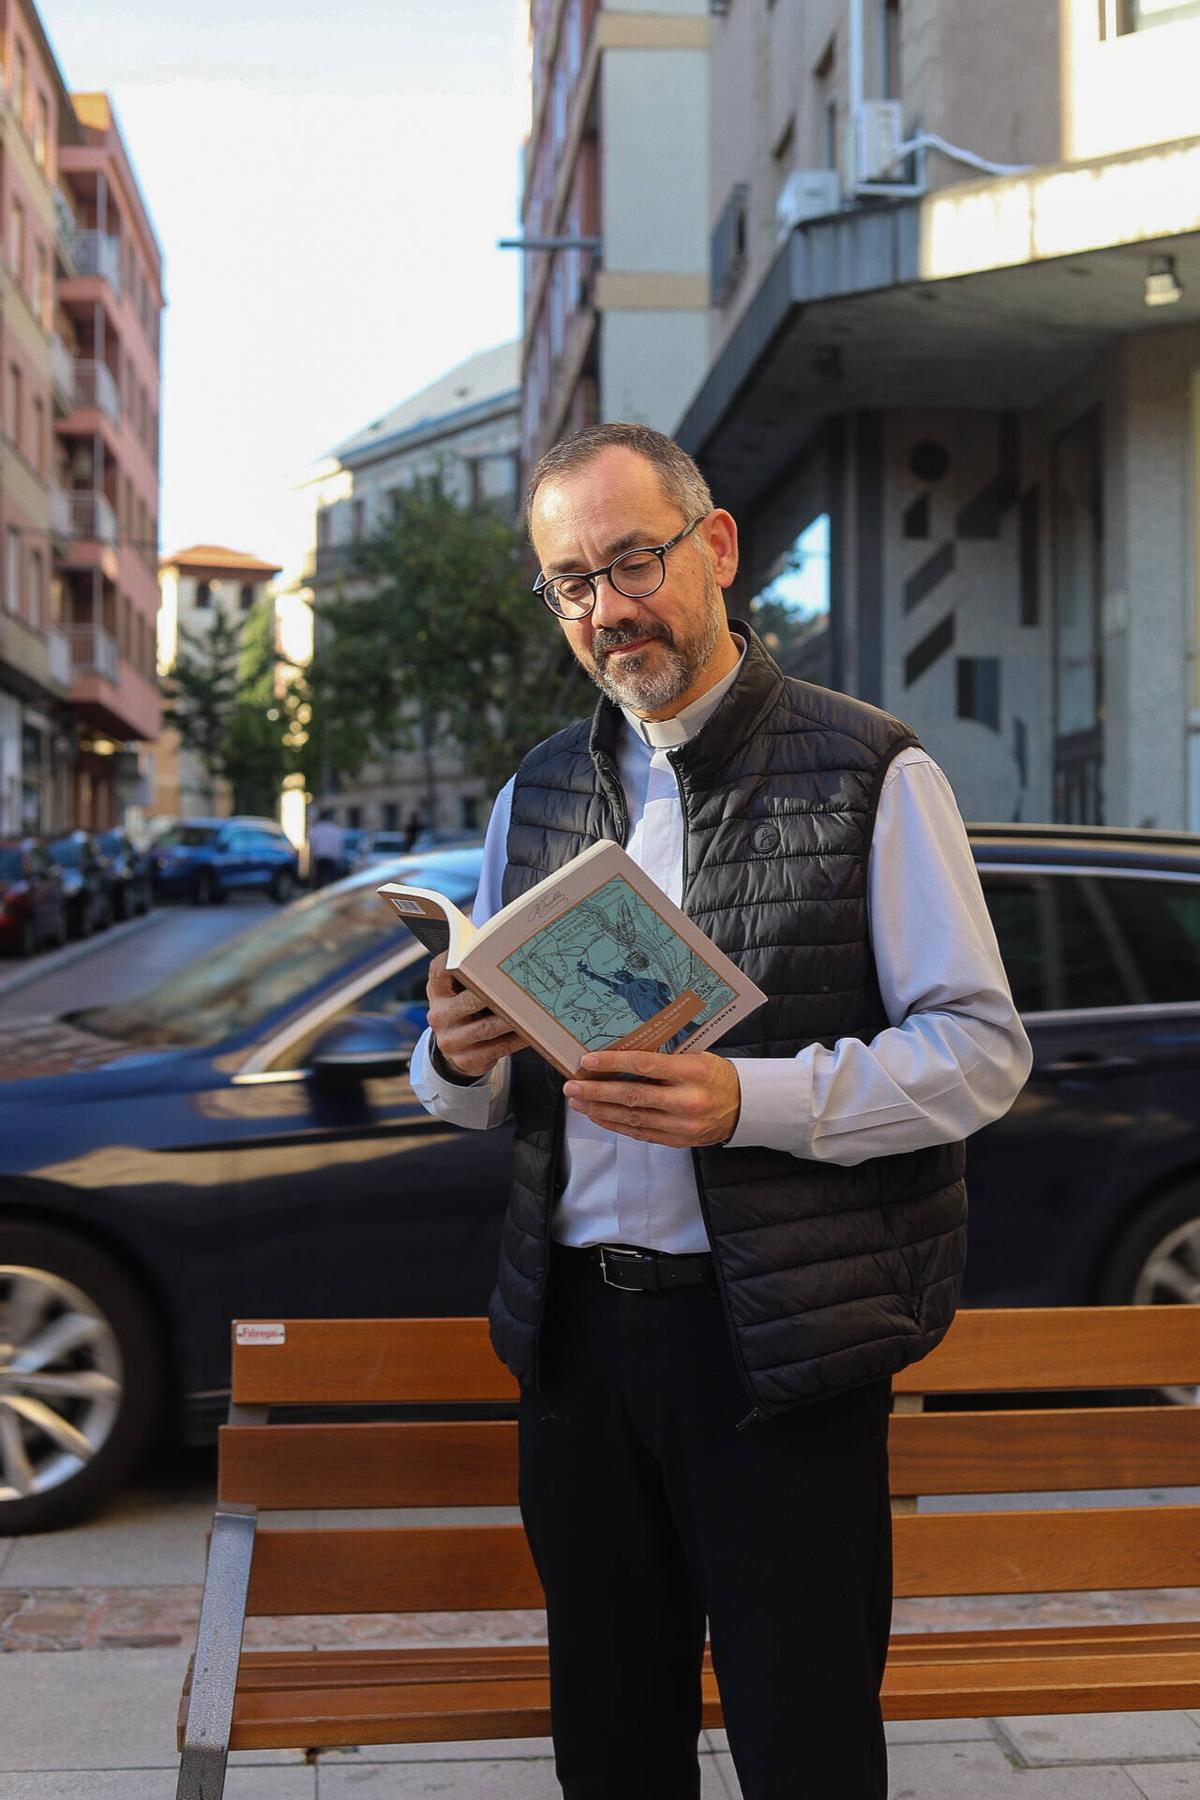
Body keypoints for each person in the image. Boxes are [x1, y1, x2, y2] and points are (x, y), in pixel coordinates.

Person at [411, 422, 1032, 1800]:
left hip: (776, 1357)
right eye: (572, 581)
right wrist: (455, 1055)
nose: (608, 607)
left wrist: (744, 1099)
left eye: (633, 561)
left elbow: (981, 1055)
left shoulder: (873, 770)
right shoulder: (538, 789)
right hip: (575, 1346)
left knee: (803, 1747)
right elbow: (479, 1103)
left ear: (716, 547)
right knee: (612, 1752)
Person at [307, 808, 343, 888]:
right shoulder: (334, 829)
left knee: (319, 879)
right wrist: (338, 857)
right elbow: (337, 844)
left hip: (319, 857)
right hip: (331, 858)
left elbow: (312, 841)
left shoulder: (317, 828)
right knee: (331, 881)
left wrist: (314, 853)